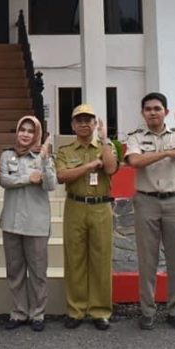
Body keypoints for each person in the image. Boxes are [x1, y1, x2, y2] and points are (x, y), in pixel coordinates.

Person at [125, 93, 175, 332]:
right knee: (147, 260)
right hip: (146, 201)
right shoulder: (135, 136)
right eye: (148, 109)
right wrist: (165, 153)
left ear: (165, 112)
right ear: (142, 112)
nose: (152, 112)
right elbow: (134, 161)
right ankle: (147, 311)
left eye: (157, 108)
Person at [55, 103, 119, 331]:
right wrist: (90, 165)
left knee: (101, 259)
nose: (84, 124)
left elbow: (110, 169)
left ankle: (100, 311)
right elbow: (62, 175)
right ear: (72, 125)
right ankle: (76, 309)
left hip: (101, 207)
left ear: (95, 123)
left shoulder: (106, 145)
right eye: (79, 120)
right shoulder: (65, 150)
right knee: (75, 259)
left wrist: (103, 141)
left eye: (88, 120)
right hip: (75, 206)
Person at [0, 115, 56, 332]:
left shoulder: (43, 156)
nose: (25, 134)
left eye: (31, 131)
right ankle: (19, 312)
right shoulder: (7, 155)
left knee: (38, 272)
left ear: (37, 134)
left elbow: (50, 185)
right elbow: (4, 180)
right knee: (15, 271)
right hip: (12, 222)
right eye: (22, 129)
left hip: (36, 224)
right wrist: (28, 179)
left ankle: (38, 314)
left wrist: (46, 160)